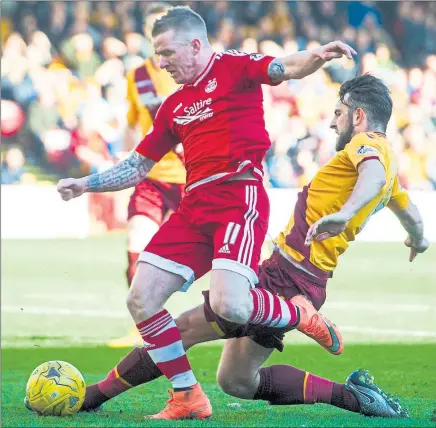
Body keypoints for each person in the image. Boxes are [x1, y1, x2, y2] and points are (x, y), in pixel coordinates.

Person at [57, 6, 356, 420]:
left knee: (231, 305)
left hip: (239, 199)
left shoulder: (234, 67)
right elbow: (137, 166)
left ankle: (298, 314)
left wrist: (317, 57)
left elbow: (283, 66)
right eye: (156, 54)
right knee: (141, 298)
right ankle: (187, 396)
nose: (161, 62)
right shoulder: (172, 106)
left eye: (166, 52)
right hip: (193, 207)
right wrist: (85, 184)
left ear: (195, 44)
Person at [80, 74, 427, 420]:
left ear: (358, 116)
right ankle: (356, 398)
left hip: (286, 279)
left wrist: (347, 212)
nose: (333, 122)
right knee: (236, 380)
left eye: (339, 112)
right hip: (306, 281)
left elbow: (373, 176)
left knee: (179, 330)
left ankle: (94, 396)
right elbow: (410, 213)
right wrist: (419, 238)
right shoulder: (390, 165)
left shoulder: (368, 145)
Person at [108, 2, 186, 349]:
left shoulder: (191, 72)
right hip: (153, 178)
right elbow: (131, 124)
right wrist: (122, 158)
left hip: (194, 179)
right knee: (135, 244)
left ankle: (250, 319)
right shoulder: (136, 77)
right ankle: (144, 327)